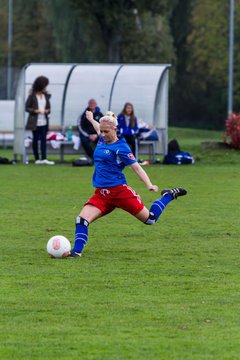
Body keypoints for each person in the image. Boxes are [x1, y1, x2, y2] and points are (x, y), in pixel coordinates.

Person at [68, 110, 187, 258]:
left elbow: (136, 167)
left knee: (150, 219)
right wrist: (91, 119)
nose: (103, 134)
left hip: (120, 192)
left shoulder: (121, 147)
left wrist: (149, 184)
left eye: (106, 132)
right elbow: (98, 127)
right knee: (81, 219)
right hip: (101, 194)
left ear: (115, 130)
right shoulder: (102, 138)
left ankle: (169, 195)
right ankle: (76, 252)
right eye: (102, 131)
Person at [25, 76, 54, 165]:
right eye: (45, 85)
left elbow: (49, 108)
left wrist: (47, 111)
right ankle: (37, 159)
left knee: (43, 140)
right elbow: (27, 108)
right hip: (35, 122)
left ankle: (44, 158)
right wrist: (35, 111)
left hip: (44, 121)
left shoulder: (46, 96)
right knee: (35, 140)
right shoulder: (32, 96)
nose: (46, 87)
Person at [77, 99, 103, 163]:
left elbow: (103, 126)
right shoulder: (84, 114)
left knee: (103, 140)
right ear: (88, 104)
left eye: (93, 103)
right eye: (90, 103)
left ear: (96, 105)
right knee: (84, 141)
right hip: (87, 134)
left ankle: (102, 158)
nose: (92, 104)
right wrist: (88, 135)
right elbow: (80, 126)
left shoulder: (100, 114)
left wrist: (97, 135)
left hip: (97, 134)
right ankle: (93, 158)